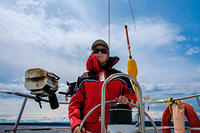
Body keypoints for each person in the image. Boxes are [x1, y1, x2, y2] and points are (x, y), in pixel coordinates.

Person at [68, 39, 137, 133]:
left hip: (117, 129)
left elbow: (133, 98)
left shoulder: (121, 77)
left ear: (108, 55)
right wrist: (75, 123)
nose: (100, 52)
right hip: (89, 130)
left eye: (103, 51)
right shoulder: (83, 79)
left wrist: (127, 99)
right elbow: (74, 105)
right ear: (92, 54)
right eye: (96, 50)